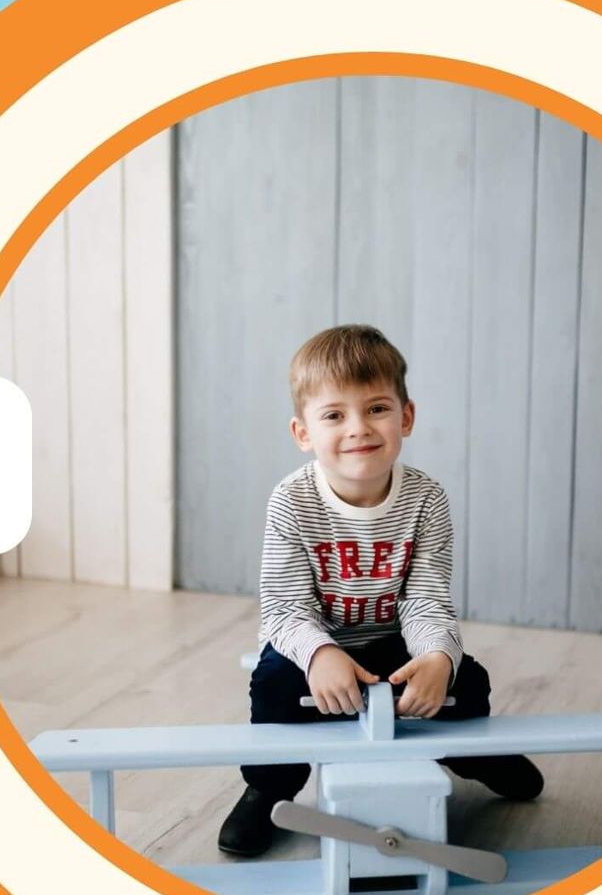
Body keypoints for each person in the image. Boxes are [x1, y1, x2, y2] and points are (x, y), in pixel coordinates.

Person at [217, 324, 544, 857]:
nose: (358, 429)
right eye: (334, 415)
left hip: (392, 642)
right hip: (315, 641)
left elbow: (426, 599)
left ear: (405, 417)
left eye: (376, 409)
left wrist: (437, 656)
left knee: (469, 679)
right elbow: (284, 608)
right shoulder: (292, 502)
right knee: (273, 687)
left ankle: (476, 754)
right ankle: (268, 787)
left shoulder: (425, 499)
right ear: (303, 433)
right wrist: (320, 653)